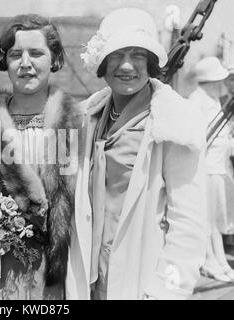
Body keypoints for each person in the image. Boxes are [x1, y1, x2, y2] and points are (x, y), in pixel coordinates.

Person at [68, 8, 208, 300]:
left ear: (152, 63)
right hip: (90, 284)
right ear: (102, 64)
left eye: (138, 55)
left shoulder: (174, 122)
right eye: (116, 55)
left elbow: (189, 224)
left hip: (141, 282)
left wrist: (166, 292)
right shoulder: (86, 117)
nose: (127, 66)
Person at [0, 14, 86, 300]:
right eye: (16, 54)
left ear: (53, 59)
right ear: (5, 61)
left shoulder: (76, 122)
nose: (26, 63)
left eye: (37, 53)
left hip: (54, 268)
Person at [189, 57, 234, 282]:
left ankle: (220, 260)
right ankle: (207, 260)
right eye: (220, 80)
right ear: (210, 81)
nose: (224, 84)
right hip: (204, 169)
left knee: (214, 220)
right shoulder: (197, 101)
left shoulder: (213, 100)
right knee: (205, 220)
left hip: (218, 168)